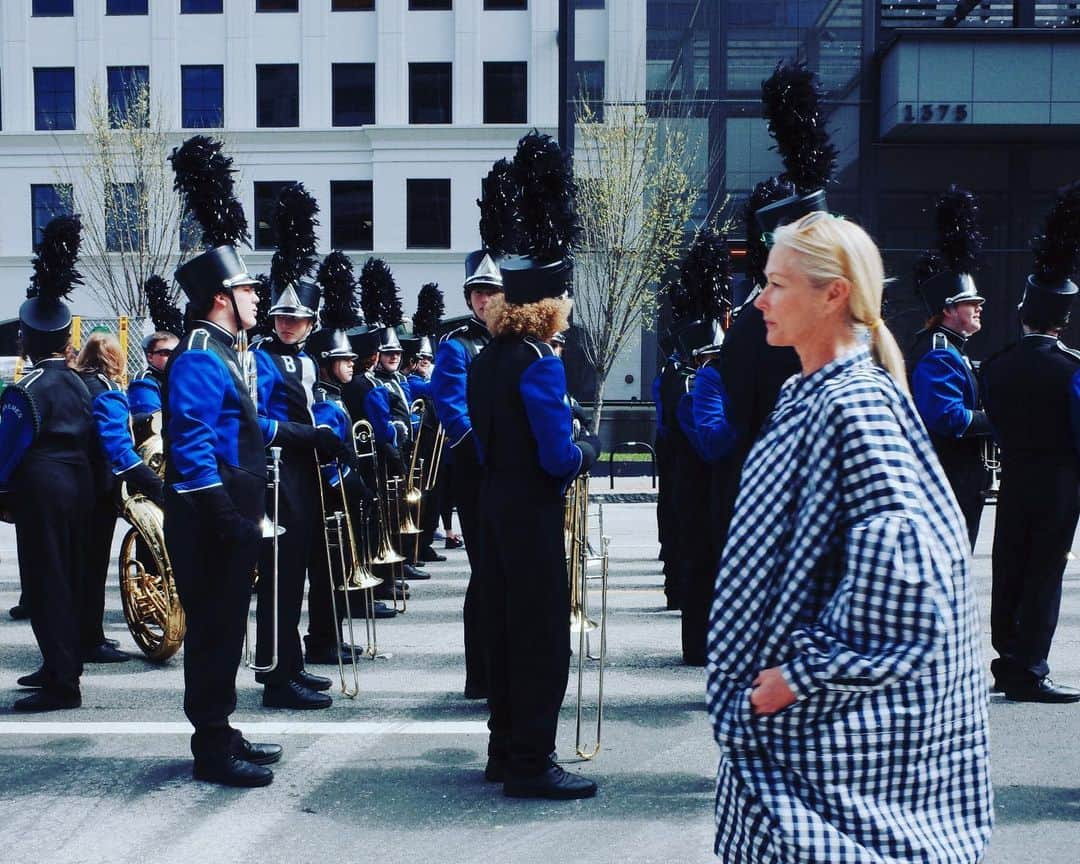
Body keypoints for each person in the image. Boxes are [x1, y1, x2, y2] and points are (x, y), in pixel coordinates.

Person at [706, 212, 992, 861]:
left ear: (832, 294)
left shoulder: (852, 402)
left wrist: (800, 672)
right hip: (794, 753)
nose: (760, 299)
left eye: (777, 284)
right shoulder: (812, 392)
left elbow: (912, 572)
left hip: (824, 766)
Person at [469, 254, 601, 800]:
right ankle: (531, 760)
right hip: (532, 512)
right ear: (548, 310)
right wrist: (586, 451)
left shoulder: (486, 358)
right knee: (541, 636)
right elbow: (556, 456)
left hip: (493, 504)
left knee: (503, 629)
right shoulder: (540, 362)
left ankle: (503, 750)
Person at [164, 245, 283, 787]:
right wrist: (230, 519)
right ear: (221, 298)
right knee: (214, 633)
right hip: (212, 522)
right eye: (248, 290)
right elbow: (191, 447)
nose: (257, 298)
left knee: (227, 629)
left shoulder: (223, 347)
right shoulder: (199, 353)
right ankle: (211, 746)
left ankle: (222, 729)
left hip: (229, 517)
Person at [980, 183, 1080, 704]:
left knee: (1009, 565)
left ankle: (1007, 659)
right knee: (1045, 570)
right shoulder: (1070, 369)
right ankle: (1030, 667)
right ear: (1062, 318)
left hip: (1014, 471)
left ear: (1025, 315)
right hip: (1061, 479)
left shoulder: (997, 365)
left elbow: (994, 419)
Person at [0, 215, 93, 712]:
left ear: (30, 342)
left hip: (42, 489)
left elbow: (6, 449)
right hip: (77, 487)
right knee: (68, 580)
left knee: (45, 582)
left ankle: (63, 681)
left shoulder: (28, 388)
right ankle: (59, 663)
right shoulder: (81, 382)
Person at [252, 280, 348, 710]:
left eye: (298, 319)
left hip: (304, 472)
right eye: (282, 317)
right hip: (276, 472)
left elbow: (315, 409)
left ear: (312, 323)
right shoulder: (256, 357)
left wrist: (330, 432)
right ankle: (275, 675)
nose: (288, 324)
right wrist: (309, 434)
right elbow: (254, 421)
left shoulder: (308, 362)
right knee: (279, 579)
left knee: (300, 576)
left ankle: (290, 662)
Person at [430, 253, 504, 699]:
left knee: (501, 569)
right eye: (478, 292)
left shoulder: (516, 337)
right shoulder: (458, 344)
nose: (484, 299)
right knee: (485, 571)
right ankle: (480, 674)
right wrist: (492, 451)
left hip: (509, 472)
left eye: (492, 291)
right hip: (478, 471)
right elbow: (453, 410)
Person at [907, 187, 991, 549]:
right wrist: (999, 418)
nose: (978, 307)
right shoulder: (939, 353)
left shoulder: (950, 349)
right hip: (948, 478)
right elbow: (948, 418)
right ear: (947, 310)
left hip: (957, 477)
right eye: (970, 303)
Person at [75, 331, 163, 664]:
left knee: (77, 566)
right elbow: (117, 449)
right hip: (97, 491)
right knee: (94, 566)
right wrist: (154, 485)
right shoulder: (108, 391)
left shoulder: (76, 383)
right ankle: (90, 640)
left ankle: (82, 634)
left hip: (71, 487)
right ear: (115, 359)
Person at [129, 331, 179, 419]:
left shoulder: (180, 379)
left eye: (177, 352)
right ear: (150, 357)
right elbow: (152, 424)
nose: (173, 357)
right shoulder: (144, 383)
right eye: (166, 353)